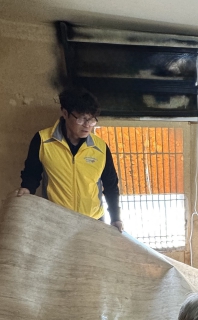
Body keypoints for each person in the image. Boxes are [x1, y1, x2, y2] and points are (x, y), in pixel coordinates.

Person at [16, 87, 123, 232]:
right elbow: (32, 174)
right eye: (82, 119)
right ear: (65, 113)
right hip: (56, 221)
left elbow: (111, 185)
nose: (87, 125)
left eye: (92, 119)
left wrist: (115, 217)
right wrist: (27, 189)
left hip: (93, 221)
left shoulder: (100, 147)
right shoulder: (43, 140)